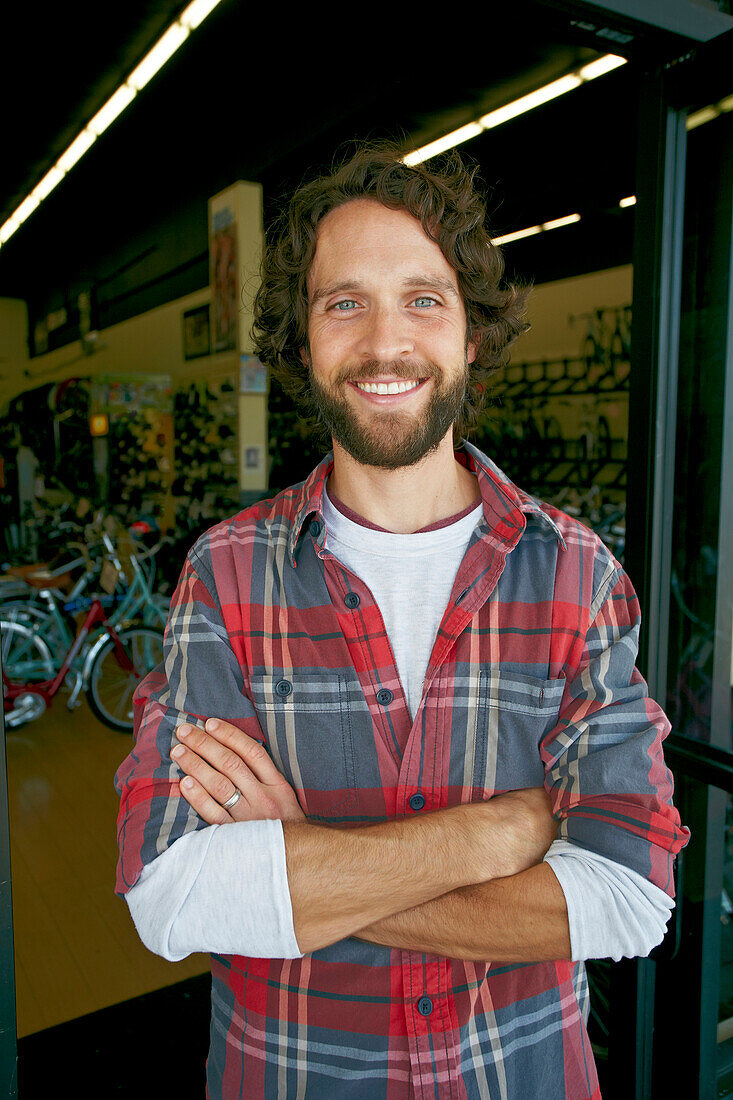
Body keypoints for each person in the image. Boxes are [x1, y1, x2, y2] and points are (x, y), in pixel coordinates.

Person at [115, 144, 689, 1099]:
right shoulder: (225, 576)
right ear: (302, 342)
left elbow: (631, 899)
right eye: (344, 303)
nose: (385, 344)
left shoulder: (574, 571)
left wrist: (298, 863)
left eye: (423, 299)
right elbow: (173, 897)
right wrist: (500, 833)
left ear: (471, 335)